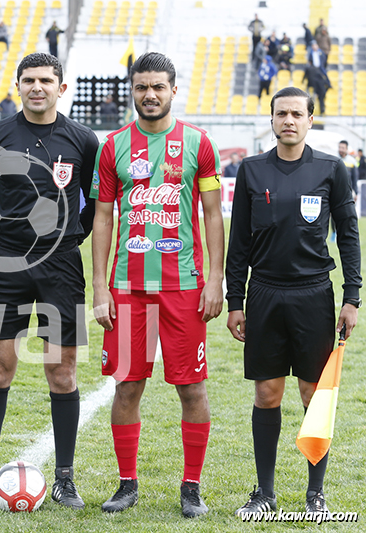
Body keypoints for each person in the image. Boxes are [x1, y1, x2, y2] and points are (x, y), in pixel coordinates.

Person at [0, 52, 98, 511]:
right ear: (18, 86)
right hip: (7, 265)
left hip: (61, 266)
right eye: (29, 80)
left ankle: (65, 477)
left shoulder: (83, 139)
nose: (37, 87)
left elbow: (94, 205)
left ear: (62, 86)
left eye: (46, 80)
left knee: (62, 371)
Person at [92, 52, 224, 518]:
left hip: (184, 288)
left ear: (172, 89)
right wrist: (99, 287)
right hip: (127, 288)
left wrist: (215, 281)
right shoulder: (113, 147)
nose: (150, 94)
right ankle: (127, 484)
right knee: (127, 386)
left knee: (192, 389)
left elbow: (212, 215)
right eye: (142, 86)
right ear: (133, 89)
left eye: (158, 87)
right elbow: (104, 217)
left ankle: (192, 487)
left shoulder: (198, 144)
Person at [226, 86, 361, 518]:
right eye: (280, 113)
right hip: (264, 293)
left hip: (314, 294)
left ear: (309, 119)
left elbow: (349, 235)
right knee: (267, 393)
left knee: (311, 395)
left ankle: (314, 493)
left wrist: (352, 297)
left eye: (296, 114)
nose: (288, 120)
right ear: (271, 120)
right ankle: (264, 492)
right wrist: (235, 301)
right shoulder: (251, 170)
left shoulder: (331, 169)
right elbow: (239, 243)